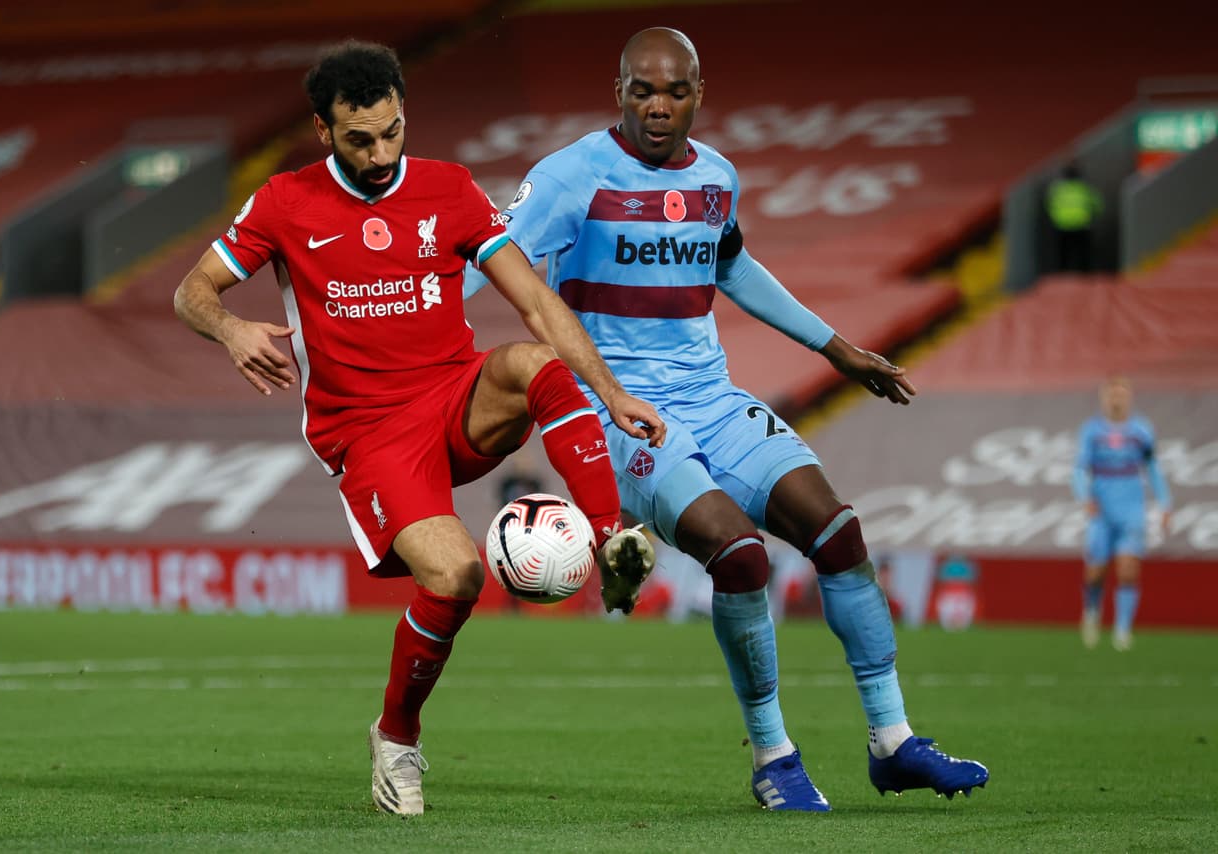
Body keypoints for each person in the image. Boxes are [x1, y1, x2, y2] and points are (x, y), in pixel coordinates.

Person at [465, 27, 988, 810]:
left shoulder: (716, 177)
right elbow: (483, 262)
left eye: (674, 91)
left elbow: (734, 265)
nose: (658, 106)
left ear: (698, 95)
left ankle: (893, 741)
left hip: (714, 398)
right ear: (619, 93)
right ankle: (774, 757)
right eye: (643, 90)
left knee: (839, 533)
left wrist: (837, 349)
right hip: (621, 413)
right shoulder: (570, 177)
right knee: (740, 556)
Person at [173, 40, 666, 817]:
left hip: (454, 397)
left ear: (405, 113)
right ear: (322, 129)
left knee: (536, 363)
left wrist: (610, 390)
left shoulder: (449, 189)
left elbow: (537, 303)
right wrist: (231, 329)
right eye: (359, 139)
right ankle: (396, 736)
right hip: (367, 431)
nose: (380, 154)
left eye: (392, 132)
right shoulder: (284, 202)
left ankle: (610, 539)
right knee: (457, 578)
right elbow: (192, 291)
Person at [1072, 376, 1171, 651]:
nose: (1116, 399)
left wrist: (1165, 504)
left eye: (1121, 394)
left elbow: (1153, 468)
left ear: (1129, 397)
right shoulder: (1092, 430)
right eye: (1112, 394)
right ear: (1104, 399)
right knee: (1096, 570)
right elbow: (1079, 469)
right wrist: (1085, 497)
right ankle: (1092, 611)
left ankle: (1123, 629)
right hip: (1101, 512)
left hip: (1131, 510)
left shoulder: (1141, 430)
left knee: (1128, 569)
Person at [1045, 162, 1103, 273]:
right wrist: (1092, 219)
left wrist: (1056, 219)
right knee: (1084, 256)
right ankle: (1085, 277)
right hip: (1082, 227)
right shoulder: (1085, 189)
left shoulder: (1058, 190)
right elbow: (1098, 206)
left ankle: (1062, 276)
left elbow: (1049, 206)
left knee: (1063, 256)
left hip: (1062, 227)